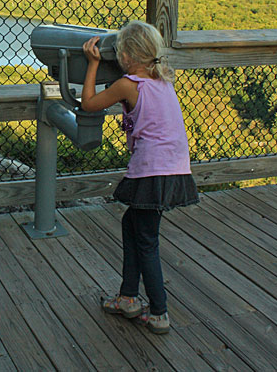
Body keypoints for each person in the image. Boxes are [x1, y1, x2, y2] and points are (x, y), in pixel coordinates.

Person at [81, 20, 199, 335]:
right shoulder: (163, 81)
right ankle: (128, 297)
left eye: (119, 52)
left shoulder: (127, 85)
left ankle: (159, 312)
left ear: (128, 56)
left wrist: (93, 64)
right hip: (174, 168)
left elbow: (89, 104)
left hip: (153, 171)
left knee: (146, 240)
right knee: (133, 224)